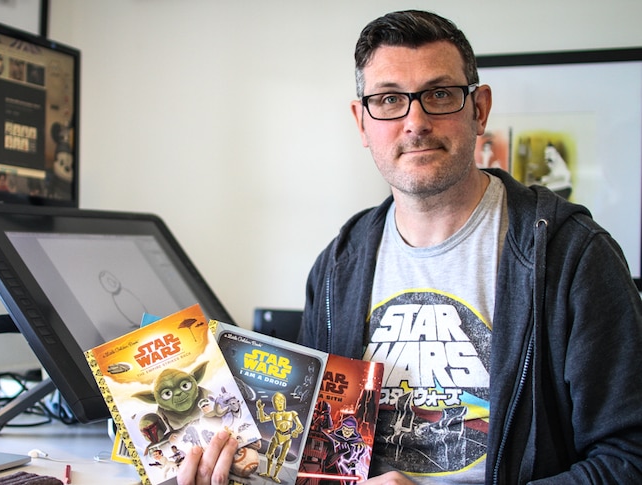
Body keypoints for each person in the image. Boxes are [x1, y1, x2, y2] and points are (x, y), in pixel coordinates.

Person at [177, 9, 642, 485]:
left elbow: (629, 459)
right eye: (389, 99)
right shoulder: (338, 267)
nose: (415, 121)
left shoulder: (574, 258)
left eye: (439, 94)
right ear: (362, 122)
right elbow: (314, 459)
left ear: (478, 109)